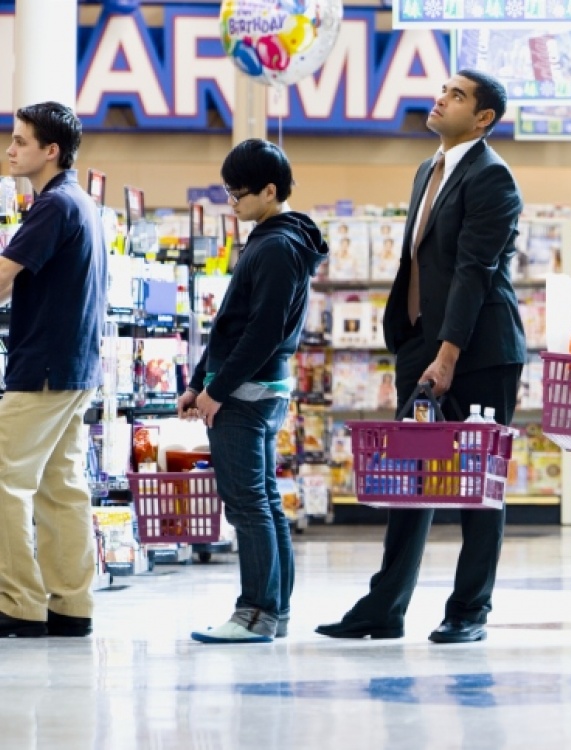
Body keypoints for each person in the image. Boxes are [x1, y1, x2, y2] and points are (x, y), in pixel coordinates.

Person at [316, 69, 526, 644]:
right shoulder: (426, 170)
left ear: (483, 118)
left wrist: (448, 353)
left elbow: (474, 272)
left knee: (478, 484)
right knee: (408, 479)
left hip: (477, 351)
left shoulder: (493, 179)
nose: (441, 98)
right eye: (443, 89)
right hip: (419, 344)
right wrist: (417, 344)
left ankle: (468, 611)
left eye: (457, 95)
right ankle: (384, 607)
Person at [179, 138, 328, 643]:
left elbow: (260, 331)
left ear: (269, 190)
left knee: (248, 505)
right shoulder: (276, 239)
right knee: (261, 501)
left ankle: (256, 613)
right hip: (256, 388)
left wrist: (216, 389)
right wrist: (200, 380)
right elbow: (230, 324)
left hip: (247, 394)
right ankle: (271, 612)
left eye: (239, 194)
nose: (232, 203)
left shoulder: (277, 245)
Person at [0, 101, 107, 638]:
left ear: (51, 151)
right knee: (61, 487)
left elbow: (3, 275)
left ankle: (18, 602)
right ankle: (71, 603)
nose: (10, 149)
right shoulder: (80, 202)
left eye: (20, 140)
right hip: (76, 366)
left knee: (4, 479)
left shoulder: (51, 206)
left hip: (41, 367)